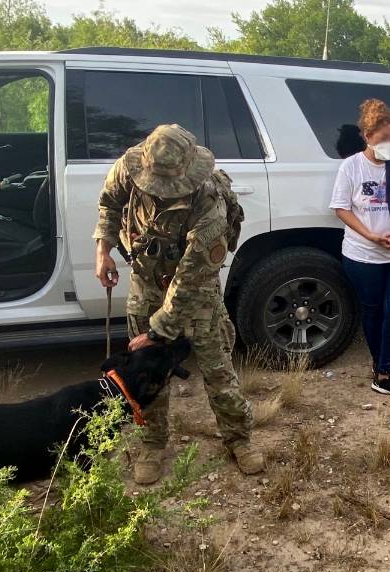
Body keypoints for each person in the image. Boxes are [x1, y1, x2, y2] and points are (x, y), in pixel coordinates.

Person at [93, 124, 265, 483]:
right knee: (145, 371)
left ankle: (238, 439)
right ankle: (152, 442)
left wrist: (158, 331)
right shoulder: (130, 167)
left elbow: (191, 276)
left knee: (218, 370)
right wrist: (103, 249)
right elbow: (109, 204)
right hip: (145, 283)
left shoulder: (209, 199)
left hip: (196, 293)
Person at [330, 100, 390, 401]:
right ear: (367, 136)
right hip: (362, 254)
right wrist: (370, 234)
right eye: (383, 139)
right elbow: (341, 208)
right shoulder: (352, 166)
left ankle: (385, 372)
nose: (389, 145)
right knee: (371, 311)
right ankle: (380, 370)